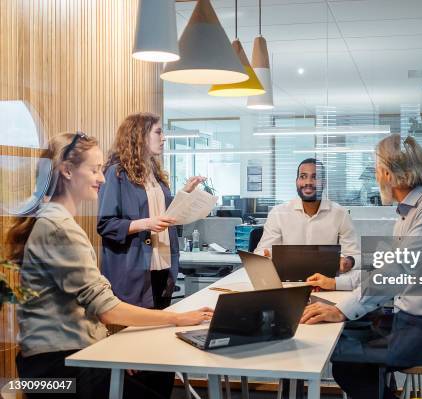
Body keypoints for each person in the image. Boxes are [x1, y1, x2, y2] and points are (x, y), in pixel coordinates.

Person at [5, 133, 212, 399]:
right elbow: (107, 310)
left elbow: (83, 309)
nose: (102, 179)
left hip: (52, 362)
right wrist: (178, 318)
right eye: (94, 170)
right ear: (67, 171)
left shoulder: (50, 219)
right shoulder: (59, 227)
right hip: (57, 372)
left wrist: (105, 353)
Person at [303, 135, 422, 399]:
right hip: (412, 321)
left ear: (388, 173)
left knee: (348, 361)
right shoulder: (410, 211)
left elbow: (398, 271)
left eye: (376, 168)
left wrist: (341, 309)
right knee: (344, 347)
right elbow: (384, 267)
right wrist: (335, 284)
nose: (374, 174)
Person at [97, 113, 204, 309]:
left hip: (163, 266)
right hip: (135, 270)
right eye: (158, 132)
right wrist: (146, 223)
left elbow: (161, 210)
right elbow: (106, 225)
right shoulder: (116, 173)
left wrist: (186, 192)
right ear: (140, 135)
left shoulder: (154, 173)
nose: (163, 138)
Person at [255, 158, 360, 274]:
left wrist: (348, 261)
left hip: (327, 282)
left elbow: (355, 255)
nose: (308, 182)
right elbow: (260, 254)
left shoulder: (340, 214)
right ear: (296, 181)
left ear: (324, 183)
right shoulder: (278, 213)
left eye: (315, 177)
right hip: (287, 281)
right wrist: (267, 256)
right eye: (303, 176)